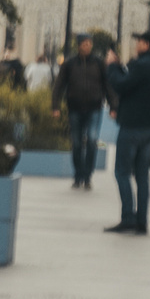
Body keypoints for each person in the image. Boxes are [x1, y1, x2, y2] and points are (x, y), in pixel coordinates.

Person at [104, 31, 150, 234]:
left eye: (140, 42)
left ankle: (128, 217)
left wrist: (111, 67)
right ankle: (142, 220)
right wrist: (120, 67)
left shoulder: (141, 65)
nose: (137, 45)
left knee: (122, 172)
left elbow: (121, 85)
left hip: (132, 126)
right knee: (143, 175)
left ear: (147, 45)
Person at [54, 36, 109, 190]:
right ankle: (78, 174)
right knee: (77, 142)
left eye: (89, 44)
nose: (87, 47)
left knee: (92, 140)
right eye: (85, 44)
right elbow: (59, 85)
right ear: (79, 46)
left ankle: (87, 174)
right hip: (75, 107)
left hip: (94, 107)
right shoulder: (70, 64)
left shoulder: (98, 63)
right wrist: (55, 106)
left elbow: (107, 84)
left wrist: (114, 106)